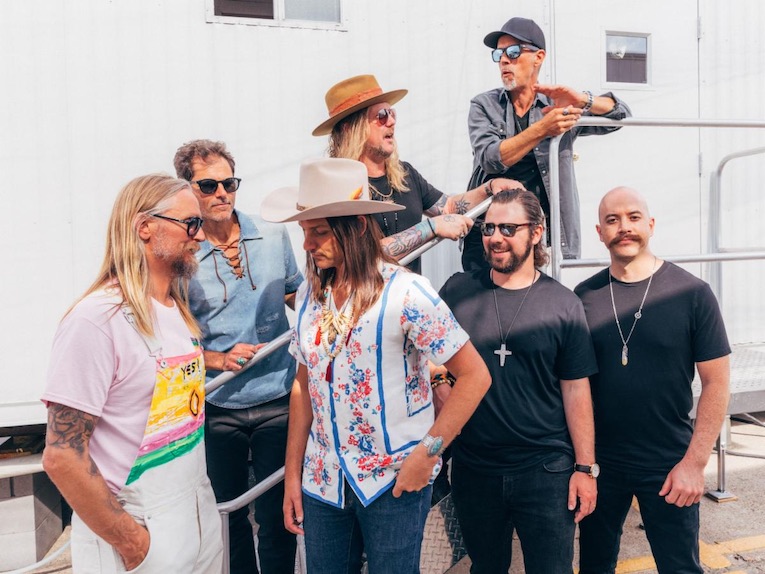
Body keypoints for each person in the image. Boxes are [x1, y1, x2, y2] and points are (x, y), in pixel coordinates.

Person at [260, 157, 491, 573]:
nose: (308, 245)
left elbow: (476, 376)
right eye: (304, 232)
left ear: (356, 228)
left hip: (395, 480)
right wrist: (292, 476)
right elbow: (303, 385)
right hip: (323, 483)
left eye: (318, 232)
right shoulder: (312, 296)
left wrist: (428, 454)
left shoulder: (408, 293)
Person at [41, 174, 223, 573]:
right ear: (145, 227)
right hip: (142, 531)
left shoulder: (176, 310)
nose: (201, 237)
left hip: (197, 515)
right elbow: (61, 456)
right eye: (191, 224)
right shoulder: (96, 319)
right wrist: (133, 543)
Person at [438, 188, 599, 573]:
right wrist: (438, 381)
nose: (495, 237)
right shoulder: (457, 291)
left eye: (509, 228)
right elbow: (423, 354)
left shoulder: (563, 304)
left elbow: (576, 390)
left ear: (537, 232)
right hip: (475, 467)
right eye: (488, 228)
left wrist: (585, 469)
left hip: (545, 469)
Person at [575, 187, 731, 574]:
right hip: (601, 462)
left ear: (651, 224)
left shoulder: (692, 293)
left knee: (679, 566)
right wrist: (582, 465)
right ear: (599, 231)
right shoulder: (584, 297)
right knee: (594, 564)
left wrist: (694, 464)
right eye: (612, 220)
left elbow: (717, 383)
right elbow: (572, 384)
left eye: (632, 217)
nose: (623, 227)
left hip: (669, 461)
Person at [173, 140, 302, 574]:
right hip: (218, 405)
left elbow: (296, 295)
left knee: (277, 517)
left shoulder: (272, 234)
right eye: (208, 185)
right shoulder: (182, 256)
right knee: (228, 517)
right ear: (188, 189)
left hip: (278, 397)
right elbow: (172, 336)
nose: (222, 193)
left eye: (229, 182)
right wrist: (215, 358)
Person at [462, 16, 632, 271]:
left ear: (538, 57)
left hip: (542, 236)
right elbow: (490, 158)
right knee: (488, 306)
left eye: (514, 51)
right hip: (491, 233)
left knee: (542, 305)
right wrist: (543, 129)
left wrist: (582, 99)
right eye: (500, 54)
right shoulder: (484, 105)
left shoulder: (557, 106)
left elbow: (621, 116)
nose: (505, 60)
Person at [314, 74, 521, 274]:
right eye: (381, 116)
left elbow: (447, 208)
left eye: (392, 113)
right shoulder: (337, 186)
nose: (391, 121)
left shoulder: (404, 174)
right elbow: (360, 255)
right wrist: (429, 228)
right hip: (362, 304)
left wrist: (489, 187)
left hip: (406, 303)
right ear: (352, 129)